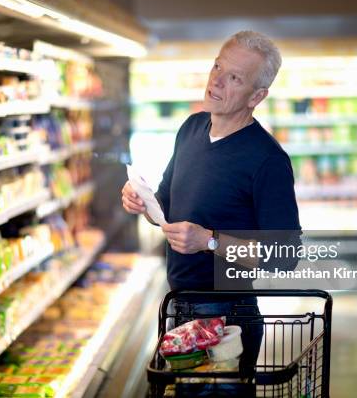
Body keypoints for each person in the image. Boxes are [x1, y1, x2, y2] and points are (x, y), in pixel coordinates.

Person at [122, 31, 300, 394]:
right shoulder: (191, 129)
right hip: (179, 305)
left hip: (228, 318)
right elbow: (166, 211)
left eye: (234, 77)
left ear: (256, 96)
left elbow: (285, 256)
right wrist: (141, 202)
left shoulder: (267, 160)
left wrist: (210, 240)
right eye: (218, 66)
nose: (216, 80)